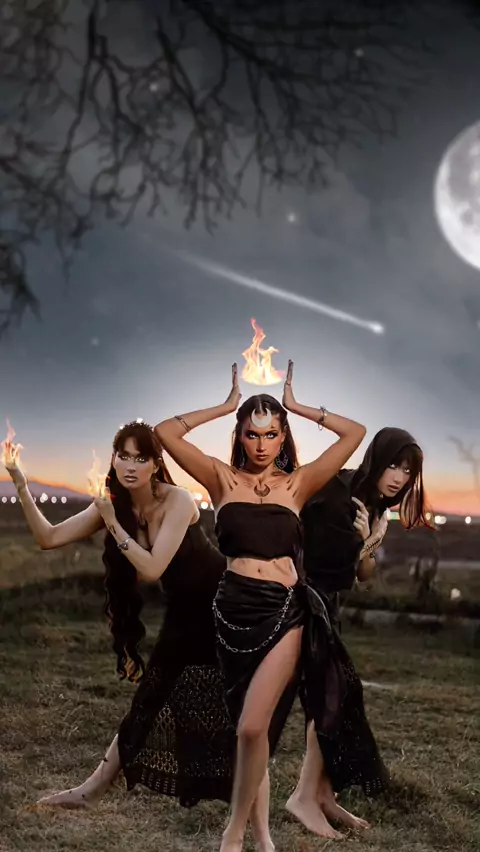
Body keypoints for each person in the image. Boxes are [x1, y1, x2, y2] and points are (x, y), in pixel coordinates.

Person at [155, 361, 366, 852]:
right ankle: (265, 838)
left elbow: (355, 433)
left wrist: (298, 406)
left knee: (254, 727)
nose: (262, 444)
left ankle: (233, 835)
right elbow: (164, 432)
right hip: (232, 612)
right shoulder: (221, 479)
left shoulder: (299, 484)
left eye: (272, 433)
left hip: (284, 612)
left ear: (283, 436)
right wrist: (225, 405)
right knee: (249, 734)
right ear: (241, 436)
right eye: (252, 433)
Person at [2, 421, 235, 810]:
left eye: (140, 458)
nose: (130, 465)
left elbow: (154, 567)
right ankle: (92, 790)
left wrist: (110, 521)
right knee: (151, 697)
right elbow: (48, 538)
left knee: (232, 700)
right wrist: (21, 484)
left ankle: (271, 794)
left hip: (224, 603)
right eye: (123, 456)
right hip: (185, 611)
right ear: (113, 459)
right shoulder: (114, 504)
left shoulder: (178, 500)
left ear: (156, 464)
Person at [287, 427, 432, 836]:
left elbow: (364, 574)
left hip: (326, 604)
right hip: (299, 599)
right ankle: (305, 796)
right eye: (393, 465)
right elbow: (321, 556)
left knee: (334, 696)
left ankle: (322, 794)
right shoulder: (340, 491)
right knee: (331, 694)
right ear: (376, 459)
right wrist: (360, 544)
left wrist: (367, 540)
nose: (399, 477)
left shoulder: (377, 510)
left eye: (408, 471)